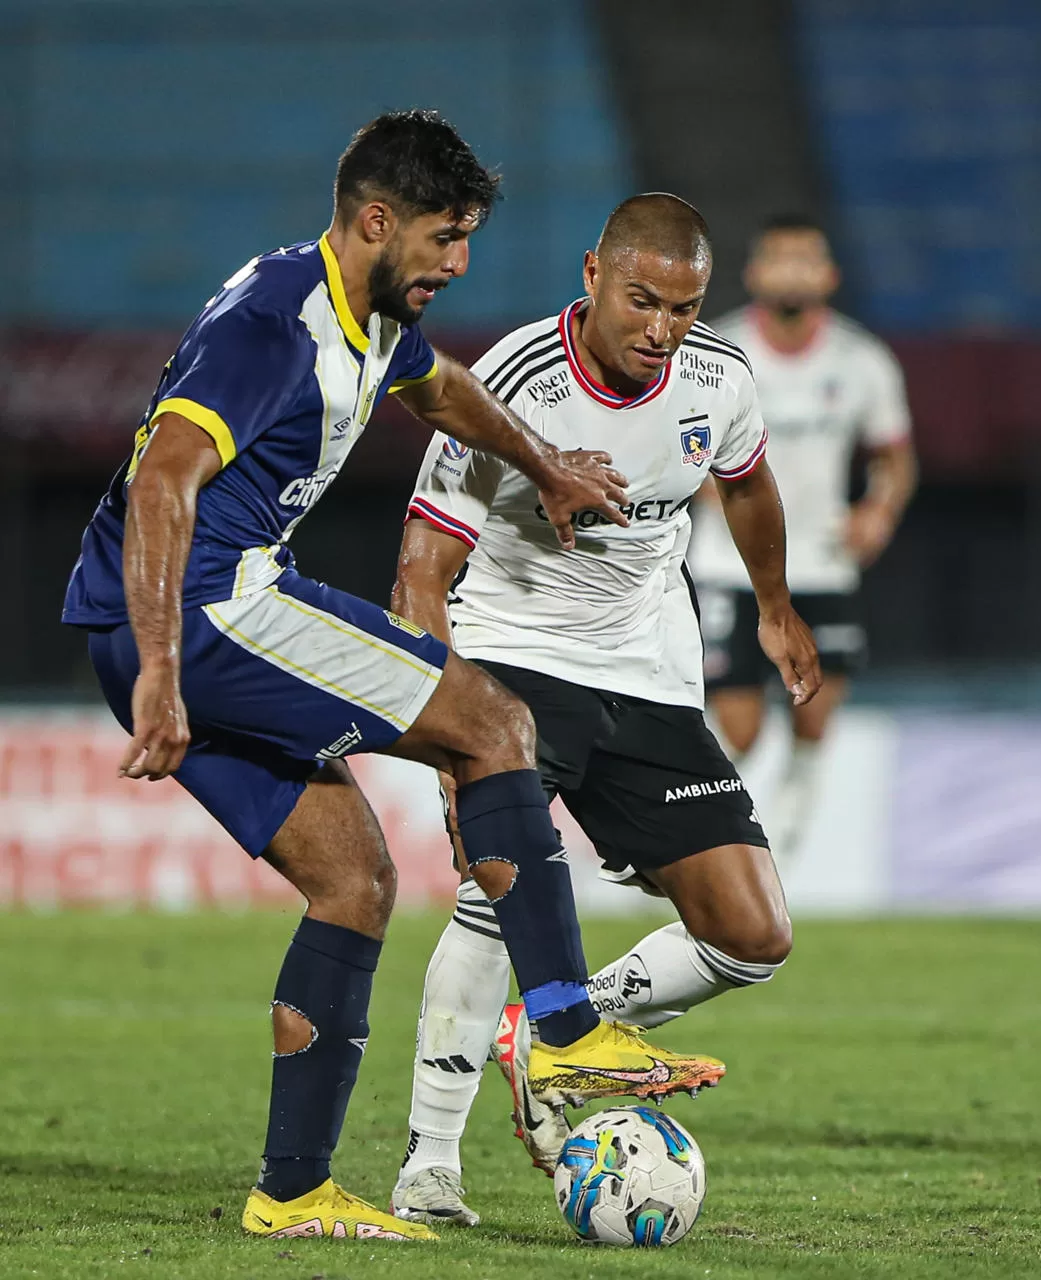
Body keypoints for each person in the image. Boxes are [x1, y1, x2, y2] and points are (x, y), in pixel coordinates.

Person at [59, 112, 724, 1244]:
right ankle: (563, 1024)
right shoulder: (278, 325)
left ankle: (294, 1189)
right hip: (211, 607)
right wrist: (168, 672)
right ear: (378, 220)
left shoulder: (365, 314)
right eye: (446, 237)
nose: (458, 263)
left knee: (354, 878)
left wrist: (548, 463)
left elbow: (443, 390)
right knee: (494, 719)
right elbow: (167, 482)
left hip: (161, 621)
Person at [388, 194, 821, 1227]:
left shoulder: (719, 376)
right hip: (513, 665)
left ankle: (550, 1029)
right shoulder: (510, 384)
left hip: (648, 669)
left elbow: (748, 484)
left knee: (752, 933)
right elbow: (421, 570)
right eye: (642, 300)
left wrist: (774, 605)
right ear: (592, 274)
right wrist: (448, 728)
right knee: (495, 896)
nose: (662, 328)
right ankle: (429, 1162)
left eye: (683, 305)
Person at [687, 214, 916, 857]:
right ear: (755, 272)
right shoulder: (716, 353)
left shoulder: (863, 360)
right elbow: (679, 442)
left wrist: (879, 511)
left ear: (828, 275)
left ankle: (797, 793)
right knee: (740, 725)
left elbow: (893, 456)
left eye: (805, 259)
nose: (792, 271)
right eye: (779, 259)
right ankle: (699, 830)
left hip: (823, 561)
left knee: (814, 710)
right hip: (727, 562)